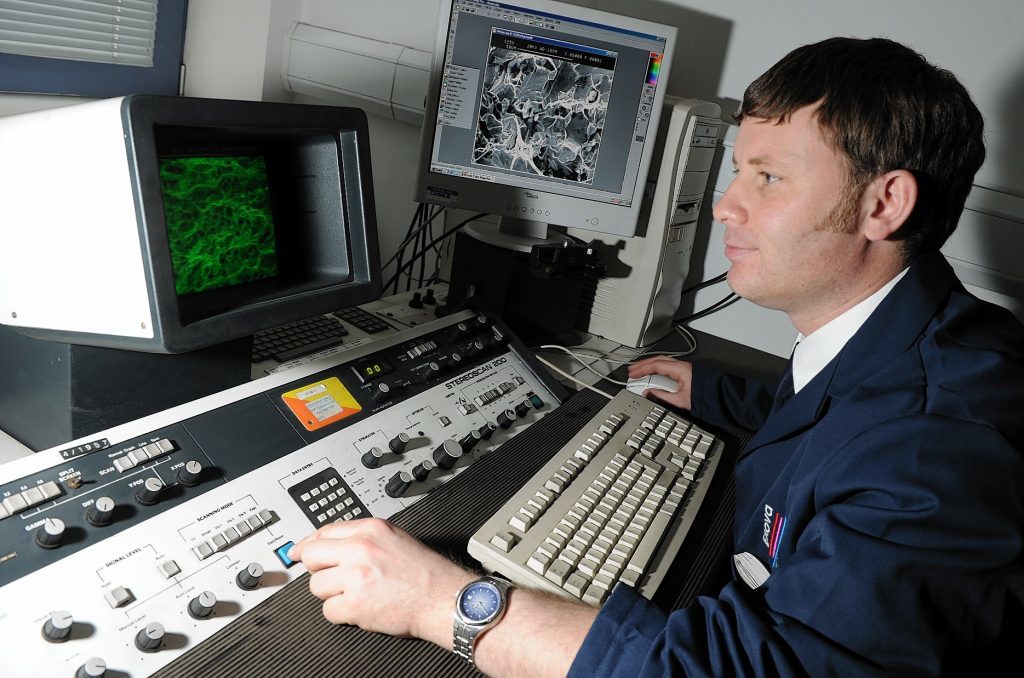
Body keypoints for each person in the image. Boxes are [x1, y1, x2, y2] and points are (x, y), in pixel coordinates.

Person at [288, 37, 1024, 676]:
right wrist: (717, 395)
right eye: (739, 172)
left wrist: (445, 603)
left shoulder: (938, 450)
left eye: (768, 177)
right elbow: (840, 418)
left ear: (884, 205)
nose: (726, 206)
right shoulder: (922, 337)